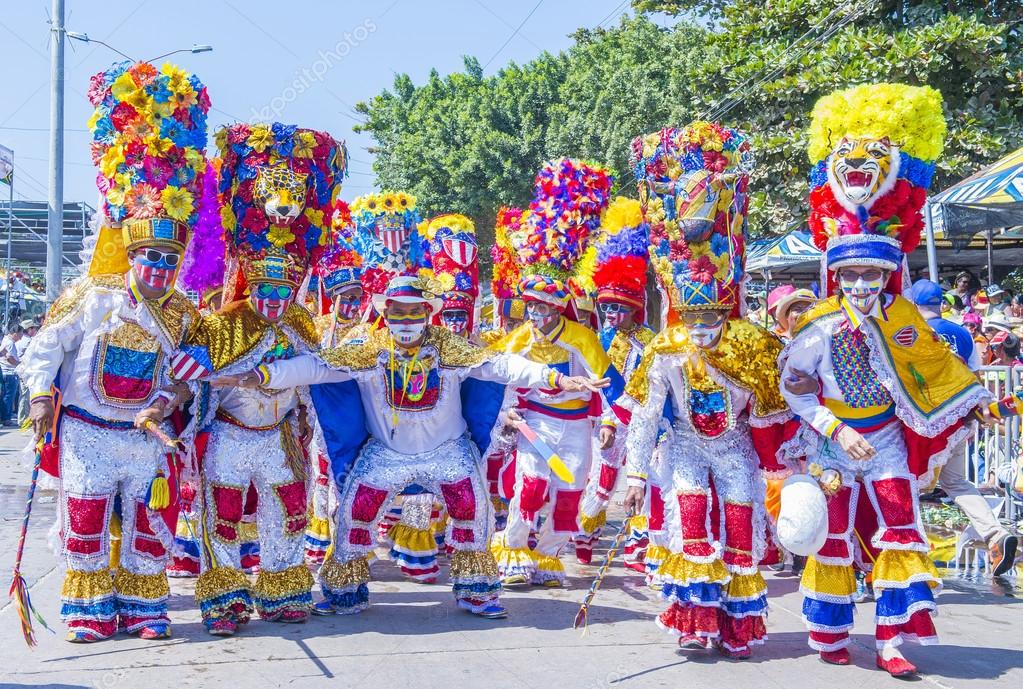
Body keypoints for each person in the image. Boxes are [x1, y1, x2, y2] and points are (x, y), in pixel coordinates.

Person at [228, 274, 608, 619]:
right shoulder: (368, 348)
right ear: (386, 314)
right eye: (398, 312)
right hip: (386, 454)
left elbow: (501, 365)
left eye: (414, 312)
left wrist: (556, 379)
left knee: (473, 514)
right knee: (352, 515)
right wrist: (264, 374)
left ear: (428, 314)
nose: (406, 321)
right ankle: (345, 591)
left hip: (449, 452)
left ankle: (476, 591)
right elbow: (316, 367)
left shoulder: (448, 347)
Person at [782, 83, 992, 676]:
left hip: (888, 440)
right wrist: (834, 429)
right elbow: (795, 387)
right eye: (850, 276)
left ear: (885, 275)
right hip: (833, 442)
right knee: (834, 534)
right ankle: (831, 631)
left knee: (901, 526)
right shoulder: (818, 325)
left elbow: (935, 367)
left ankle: (891, 641)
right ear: (836, 276)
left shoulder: (902, 316)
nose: (860, 286)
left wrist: (975, 402)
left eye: (871, 276)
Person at [16, 59, 210, 643]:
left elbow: (191, 375)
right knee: (87, 521)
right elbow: (45, 346)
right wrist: (40, 396)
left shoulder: (183, 314)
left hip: (145, 437)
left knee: (149, 524)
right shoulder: (92, 294)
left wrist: (171, 399)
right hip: (87, 431)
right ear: (131, 255)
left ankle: (145, 608)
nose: (159, 268)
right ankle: (89, 609)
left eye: (170, 260)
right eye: (150, 258)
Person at [169, 122, 346, 636]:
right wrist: (189, 379)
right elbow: (190, 377)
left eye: (283, 290)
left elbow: (320, 375)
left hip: (281, 437)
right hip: (230, 436)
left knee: (289, 514)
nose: (273, 300)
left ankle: (283, 591)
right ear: (251, 285)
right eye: (265, 289)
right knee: (223, 516)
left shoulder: (301, 324)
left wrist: (304, 413)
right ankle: (225, 598)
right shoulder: (223, 324)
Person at [623, 122, 792, 659]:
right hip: (686, 448)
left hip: (735, 448)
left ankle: (737, 627)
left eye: (711, 319)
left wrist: (785, 466)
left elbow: (772, 412)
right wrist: (634, 473)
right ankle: (694, 622)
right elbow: (646, 415)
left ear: (725, 313)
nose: (701, 331)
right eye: (691, 319)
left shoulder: (751, 346)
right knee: (691, 523)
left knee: (740, 528)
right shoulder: (666, 349)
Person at [490, 158, 624, 588]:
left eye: (543, 307)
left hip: (576, 426)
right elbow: (497, 378)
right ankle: (514, 551)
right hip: (535, 423)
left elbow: (611, 384)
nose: (536, 315)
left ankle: (547, 556)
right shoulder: (519, 339)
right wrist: (505, 413)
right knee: (530, 487)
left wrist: (609, 421)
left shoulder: (582, 338)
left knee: (569, 497)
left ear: (558, 307)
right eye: (530, 307)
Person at [910, 279, 1019, 575]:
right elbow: (975, 379)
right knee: (956, 482)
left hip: (921, 424)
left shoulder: (911, 332)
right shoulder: (963, 334)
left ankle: (910, 555)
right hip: (957, 421)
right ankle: (996, 535)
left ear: (914, 305)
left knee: (906, 484)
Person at [572, 197, 655, 569]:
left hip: (642, 422)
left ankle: (639, 548)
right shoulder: (599, 341)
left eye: (617, 307)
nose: (610, 313)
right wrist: (606, 421)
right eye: (605, 307)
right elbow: (598, 383)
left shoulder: (650, 342)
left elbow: (647, 386)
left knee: (645, 481)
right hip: (610, 422)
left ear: (633, 309)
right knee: (602, 483)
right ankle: (584, 534)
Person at [0, 323, 24, 426]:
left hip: (5, 372)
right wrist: (19, 364)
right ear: (15, 333)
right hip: (10, 373)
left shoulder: (5, 340)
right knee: (9, 397)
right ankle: (6, 419)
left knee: (6, 396)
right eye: (20, 334)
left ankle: (5, 417)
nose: (21, 337)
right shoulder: (10, 343)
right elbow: (9, 358)